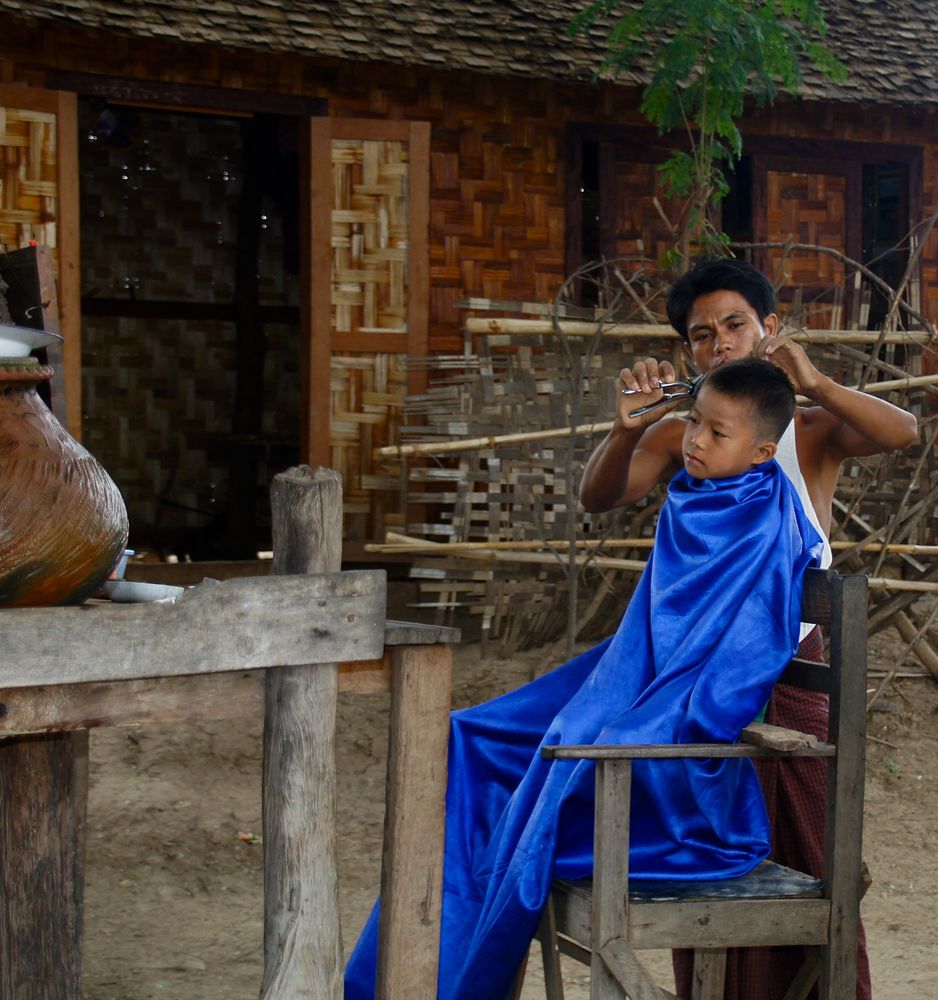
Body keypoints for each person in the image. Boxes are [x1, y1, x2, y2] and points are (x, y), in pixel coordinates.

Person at [346, 357, 824, 1000]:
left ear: (764, 451)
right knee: (474, 735)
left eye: (717, 433)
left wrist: (652, 715)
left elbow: (746, 652)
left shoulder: (769, 519)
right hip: (629, 676)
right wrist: (618, 691)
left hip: (680, 717)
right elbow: (652, 626)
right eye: (694, 423)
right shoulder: (695, 495)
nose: (695, 441)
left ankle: (468, 972)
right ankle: (401, 974)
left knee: (573, 745)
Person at [580, 257, 919, 1000]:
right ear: (686, 354)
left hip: (790, 671)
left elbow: (905, 430)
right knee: (710, 856)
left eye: (736, 324)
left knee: (802, 856)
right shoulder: (685, 437)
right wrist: (619, 432)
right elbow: (600, 498)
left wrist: (818, 382)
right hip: (696, 676)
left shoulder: (809, 429)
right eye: (701, 336)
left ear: (771, 327)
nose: (720, 343)